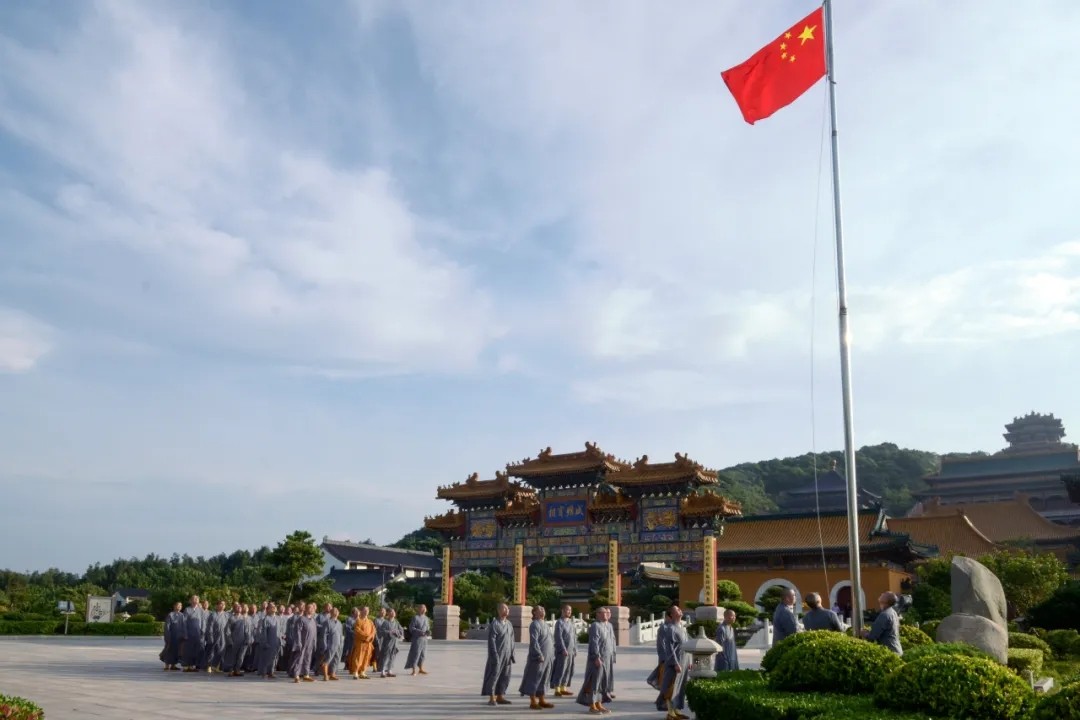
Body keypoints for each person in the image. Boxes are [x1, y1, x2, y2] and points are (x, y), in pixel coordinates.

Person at [651, 605, 690, 720]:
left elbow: (687, 646)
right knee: (670, 687)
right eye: (677, 610)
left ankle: (677, 710)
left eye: (679, 609)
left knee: (680, 687)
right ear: (671, 615)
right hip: (674, 664)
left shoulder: (683, 628)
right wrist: (675, 663)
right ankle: (670, 712)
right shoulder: (670, 629)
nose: (680, 610)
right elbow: (670, 648)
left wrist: (690, 661)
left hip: (684, 661)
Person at [576, 607, 612, 715]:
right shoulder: (595, 626)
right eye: (603, 613)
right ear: (598, 614)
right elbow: (594, 642)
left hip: (606, 658)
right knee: (594, 682)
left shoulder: (607, 626)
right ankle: (592, 705)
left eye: (606, 613)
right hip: (597, 659)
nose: (606, 614)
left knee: (602, 682)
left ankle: (599, 703)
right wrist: (596, 657)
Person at [519, 606, 555, 710]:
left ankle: (542, 699)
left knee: (545, 677)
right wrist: (539, 654)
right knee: (534, 678)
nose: (543, 610)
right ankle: (533, 701)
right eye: (540, 609)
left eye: (543, 609)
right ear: (534, 612)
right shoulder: (534, 624)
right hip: (538, 657)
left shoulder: (546, 624)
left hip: (548, 656)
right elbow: (534, 641)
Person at [482, 603, 516, 706]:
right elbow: (491, 641)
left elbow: (512, 639)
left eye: (508, 608)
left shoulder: (509, 624)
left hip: (507, 654)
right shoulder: (495, 624)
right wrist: (494, 655)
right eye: (505, 608)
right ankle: (492, 697)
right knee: (494, 675)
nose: (507, 610)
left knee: (505, 676)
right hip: (498, 654)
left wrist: (512, 653)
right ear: (499, 611)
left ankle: (500, 696)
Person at [550, 604, 577, 697]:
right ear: (563, 611)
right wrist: (563, 649)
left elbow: (574, 637)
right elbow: (558, 637)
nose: (569, 612)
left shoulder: (571, 623)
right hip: (562, 650)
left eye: (570, 610)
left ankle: (563, 687)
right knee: (560, 669)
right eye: (567, 610)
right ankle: (557, 688)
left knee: (568, 669)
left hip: (571, 650)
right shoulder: (559, 623)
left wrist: (575, 649)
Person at [289, 603, 317, 683]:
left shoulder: (313, 620)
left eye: (313, 608)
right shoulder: (301, 619)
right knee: (299, 658)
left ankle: (306, 675)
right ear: (306, 609)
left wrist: (315, 642)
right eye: (310, 608)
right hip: (302, 642)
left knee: (308, 658)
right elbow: (297, 632)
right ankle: (296, 675)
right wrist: (298, 642)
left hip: (310, 643)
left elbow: (314, 633)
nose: (311, 610)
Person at [347, 606, 376, 679]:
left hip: (368, 643)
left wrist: (370, 637)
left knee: (366, 657)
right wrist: (366, 637)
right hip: (360, 642)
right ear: (361, 611)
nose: (366, 611)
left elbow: (373, 631)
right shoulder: (358, 621)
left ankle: (362, 671)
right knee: (358, 657)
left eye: (367, 610)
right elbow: (357, 631)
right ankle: (356, 672)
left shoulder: (370, 622)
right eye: (365, 610)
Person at [224, 603, 252, 676]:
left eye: (240, 607)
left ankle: (237, 670)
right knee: (232, 656)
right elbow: (227, 631)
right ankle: (231, 670)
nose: (239, 608)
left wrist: (247, 639)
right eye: (237, 607)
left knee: (241, 656)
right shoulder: (231, 618)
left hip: (243, 640)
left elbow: (247, 630)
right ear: (234, 609)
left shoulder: (244, 619)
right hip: (234, 640)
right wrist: (230, 640)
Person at [181, 595, 206, 672]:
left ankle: (194, 665)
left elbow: (203, 622)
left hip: (198, 633)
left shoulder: (201, 610)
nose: (195, 600)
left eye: (197, 599)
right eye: (194, 599)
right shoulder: (187, 609)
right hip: (189, 633)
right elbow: (184, 622)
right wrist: (185, 633)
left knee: (196, 650)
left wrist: (203, 631)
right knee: (188, 650)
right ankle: (187, 665)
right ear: (190, 601)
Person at [378, 608, 404, 677]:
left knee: (393, 656)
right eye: (391, 612)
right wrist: (390, 632)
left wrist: (398, 633)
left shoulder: (396, 622)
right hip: (387, 642)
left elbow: (401, 630)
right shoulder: (385, 622)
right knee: (386, 656)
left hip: (395, 642)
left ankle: (389, 670)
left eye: (394, 612)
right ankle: (383, 671)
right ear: (388, 613)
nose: (393, 613)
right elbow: (382, 631)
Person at [404, 604, 430, 676]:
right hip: (417, 639)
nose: (424, 609)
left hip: (424, 639)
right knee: (415, 654)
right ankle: (414, 670)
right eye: (422, 608)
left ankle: (421, 668)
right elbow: (411, 628)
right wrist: (419, 632)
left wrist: (428, 632)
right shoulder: (415, 618)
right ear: (419, 609)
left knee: (423, 654)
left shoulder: (426, 618)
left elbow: (428, 628)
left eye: (425, 608)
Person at [203, 600, 228, 673]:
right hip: (214, 634)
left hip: (223, 635)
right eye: (221, 604)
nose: (222, 606)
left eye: (224, 604)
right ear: (217, 606)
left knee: (221, 651)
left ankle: (216, 666)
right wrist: (210, 636)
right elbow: (210, 626)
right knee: (212, 651)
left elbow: (228, 626)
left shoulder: (226, 615)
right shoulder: (213, 614)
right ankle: (209, 666)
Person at [260, 604, 282, 679]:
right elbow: (264, 632)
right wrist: (265, 642)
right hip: (269, 641)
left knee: (274, 658)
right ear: (268, 609)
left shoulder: (278, 618)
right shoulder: (266, 619)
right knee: (267, 657)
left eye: (275, 607)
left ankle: (271, 672)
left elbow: (280, 630)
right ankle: (264, 672)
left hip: (277, 641)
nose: (274, 608)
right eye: (272, 607)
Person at [160, 602, 184, 671]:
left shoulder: (182, 615)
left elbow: (184, 626)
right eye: (178, 605)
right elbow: (167, 626)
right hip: (171, 635)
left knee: (176, 650)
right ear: (174, 606)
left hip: (178, 636)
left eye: (180, 606)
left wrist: (184, 635)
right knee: (169, 650)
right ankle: (167, 665)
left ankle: (173, 665)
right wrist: (167, 636)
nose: (179, 607)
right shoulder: (170, 614)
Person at [323, 607, 343, 681]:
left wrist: (341, 644)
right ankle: (325, 675)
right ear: (331, 613)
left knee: (336, 659)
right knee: (328, 659)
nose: (336, 612)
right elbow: (324, 635)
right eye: (335, 611)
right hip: (331, 643)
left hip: (338, 644)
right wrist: (325, 645)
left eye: (337, 611)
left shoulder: (339, 623)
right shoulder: (327, 622)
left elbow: (341, 634)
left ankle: (332, 674)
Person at [372, 606, 387, 673]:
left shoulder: (386, 621)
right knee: (376, 653)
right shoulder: (376, 620)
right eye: (381, 611)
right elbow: (374, 630)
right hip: (377, 638)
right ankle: (374, 666)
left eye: (384, 611)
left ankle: (380, 666)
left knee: (383, 653)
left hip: (384, 639)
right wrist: (376, 638)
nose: (383, 612)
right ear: (379, 612)